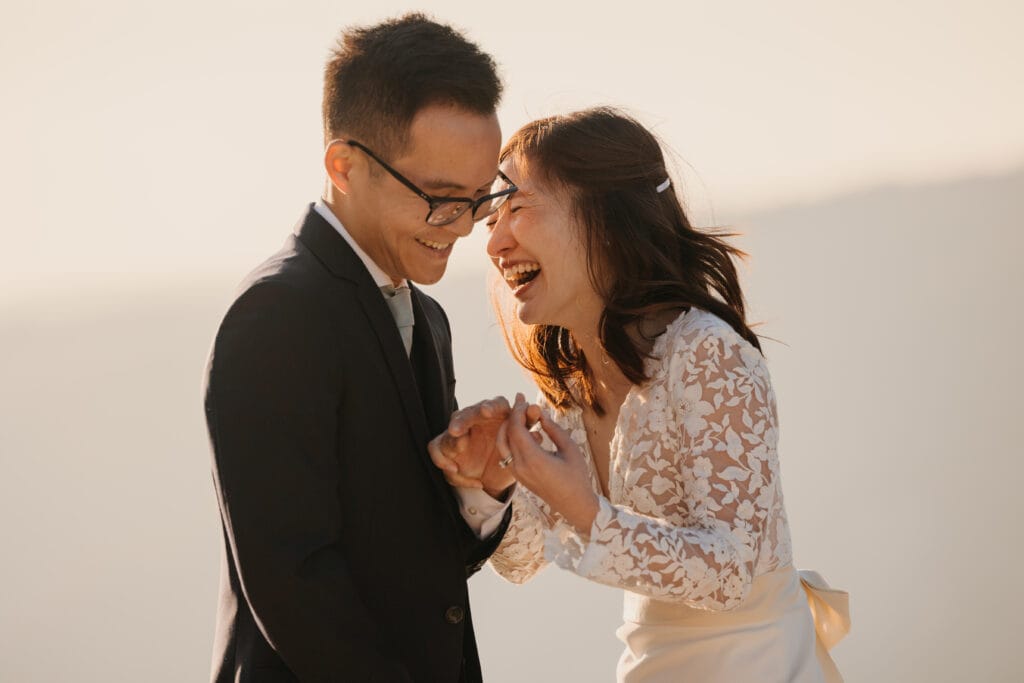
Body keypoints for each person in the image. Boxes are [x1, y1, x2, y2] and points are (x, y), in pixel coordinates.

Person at [432, 107, 849, 682]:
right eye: (490, 222)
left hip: (756, 665)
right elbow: (524, 559)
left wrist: (587, 511)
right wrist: (491, 481)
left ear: (605, 217)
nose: (495, 242)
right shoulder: (572, 387)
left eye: (518, 210)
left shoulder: (707, 354)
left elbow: (730, 572)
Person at [203, 14, 518, 682]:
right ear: (344, 165)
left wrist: (479, 490)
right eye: (438, 198)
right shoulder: (277, 314)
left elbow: (424, 564)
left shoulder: (426, 318)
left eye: (478, 198)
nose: (461, 227)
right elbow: (294, 577)